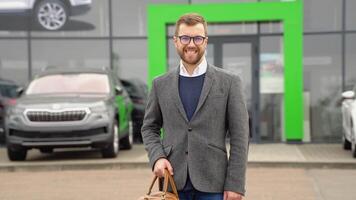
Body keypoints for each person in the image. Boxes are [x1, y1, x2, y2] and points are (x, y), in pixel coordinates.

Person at [141, 13, 249, 200]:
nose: (191, 44)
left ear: (205, 41)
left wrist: (236, 184)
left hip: (214, 184)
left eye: (197, 38)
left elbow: (240, 137)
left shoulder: (230, 82)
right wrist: (157, 158)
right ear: (175, 41)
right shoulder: (160, 84)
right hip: (173, 183)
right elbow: (149, 127)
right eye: (185, 38)